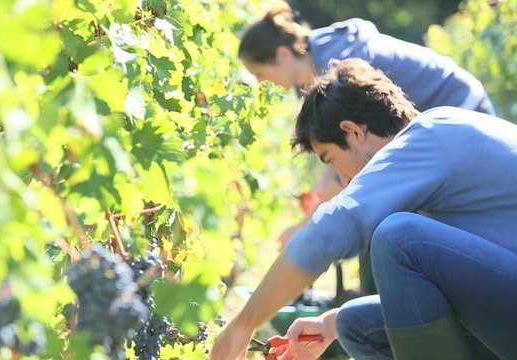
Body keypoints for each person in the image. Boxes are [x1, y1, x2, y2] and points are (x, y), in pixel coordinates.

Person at [210, 58, 517, 360]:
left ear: (353, 132)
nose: (343, 181)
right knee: (352, 323)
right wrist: (329, 325)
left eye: (331, 160)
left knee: (399, 238)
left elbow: (337, 225)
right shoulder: (437, 144)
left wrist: (243, 324)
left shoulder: (431, 135)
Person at [238, 1, 497, 295]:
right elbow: (335, 154)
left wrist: (306, 227)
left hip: (459, 108)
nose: (262, 83)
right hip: (426, 123)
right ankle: (379, 305)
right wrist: (316, 200)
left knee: (387, 215)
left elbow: (353, 164)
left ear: (283, 55)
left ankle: (392, 304)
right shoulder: (314, 72)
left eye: (260, 74)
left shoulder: (338, 65)